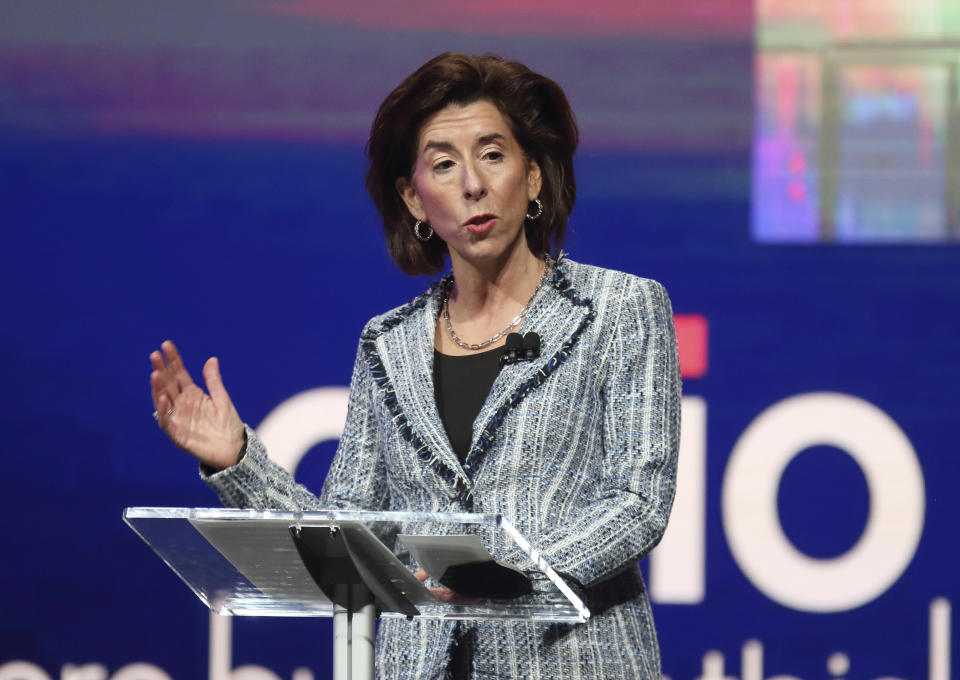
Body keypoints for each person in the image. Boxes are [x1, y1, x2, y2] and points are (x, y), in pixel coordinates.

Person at [150, 52, 681, 679]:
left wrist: (521, 570)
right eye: (443, 164)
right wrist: (234, 458)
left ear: (533, 176)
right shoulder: (388, 343)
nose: (472, 185)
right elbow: (347, 536)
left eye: (492, 154)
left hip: (568, 661)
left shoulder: (620, 308)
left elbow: (638, 501)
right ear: (414, 199)